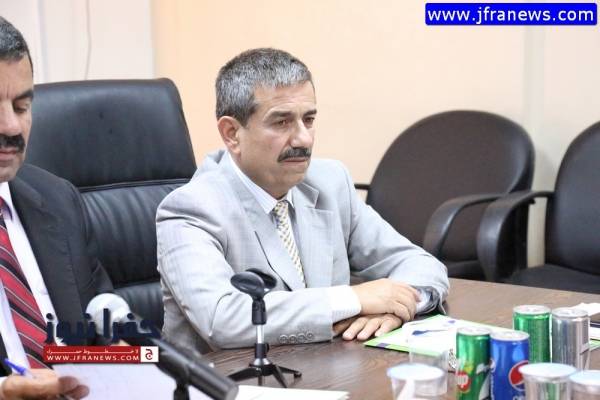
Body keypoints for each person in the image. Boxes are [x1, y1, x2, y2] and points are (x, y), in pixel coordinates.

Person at [157, 48, 449, 352]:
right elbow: (223, 319)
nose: (304, 139)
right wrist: (353, 299)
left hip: (327, 369)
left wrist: (396, 308)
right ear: (232, 134)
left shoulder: (330, 182)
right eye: (281, 122)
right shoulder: (191, 209)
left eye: (308, 119)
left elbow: (419, 264)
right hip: (229, 376)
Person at [0, 16, 112, 399]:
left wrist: (125, 357)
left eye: (22, 106)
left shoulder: (58, 200)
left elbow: (103, 326)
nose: (12, 127)